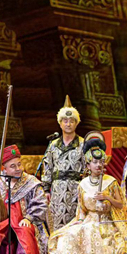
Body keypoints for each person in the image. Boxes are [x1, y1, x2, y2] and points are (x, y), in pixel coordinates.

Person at [48, 132, 127, 254]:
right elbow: (81, 210)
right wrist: (79, 221)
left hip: (107, 222)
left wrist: (107, 198)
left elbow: (120, 205)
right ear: (88, 165)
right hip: (89, 220)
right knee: (68, 235)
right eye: (95, 162)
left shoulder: (111, 181)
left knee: (91, 232)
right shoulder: (82, 184)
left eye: (101, 162)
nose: (99, 165)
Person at [40, 96, 84, 231]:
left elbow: (88, 167)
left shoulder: (83, 144)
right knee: (57, 224)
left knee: (74, 227)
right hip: (57, 190)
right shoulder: (53, 145)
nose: (68, 124)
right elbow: (48, 167)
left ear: (76, 123)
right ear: (60, 123)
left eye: (72, 121)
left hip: (76, 189)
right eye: (65, 121)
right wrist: (46, 189)